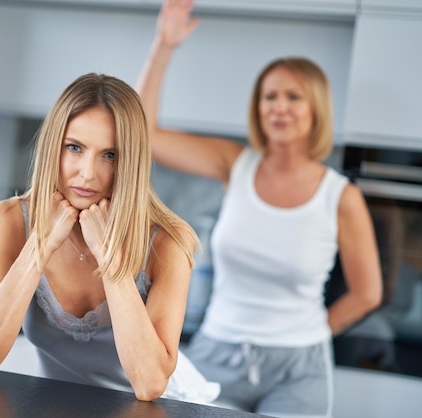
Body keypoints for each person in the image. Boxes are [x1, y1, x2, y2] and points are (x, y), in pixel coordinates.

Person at [136, 0, 383, 416]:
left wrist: (310, 333)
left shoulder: (340, 196)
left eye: (293, 96)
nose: (279, 106)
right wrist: (163, 46)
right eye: (270, 96)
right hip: (217, 352)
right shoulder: (236, 163)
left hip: (299, 369)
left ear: (316, 108)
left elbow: (367, 293)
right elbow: (143, 133)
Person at [0, 73, 219, 403]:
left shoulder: (167, 242)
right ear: (54, 145)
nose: (87, 173)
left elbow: (150, 383)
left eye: (109, 155)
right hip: (60, 408)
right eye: (74, 148)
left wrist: (109, 257)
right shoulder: (11, 220)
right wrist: (39, 246)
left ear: (131, 161)